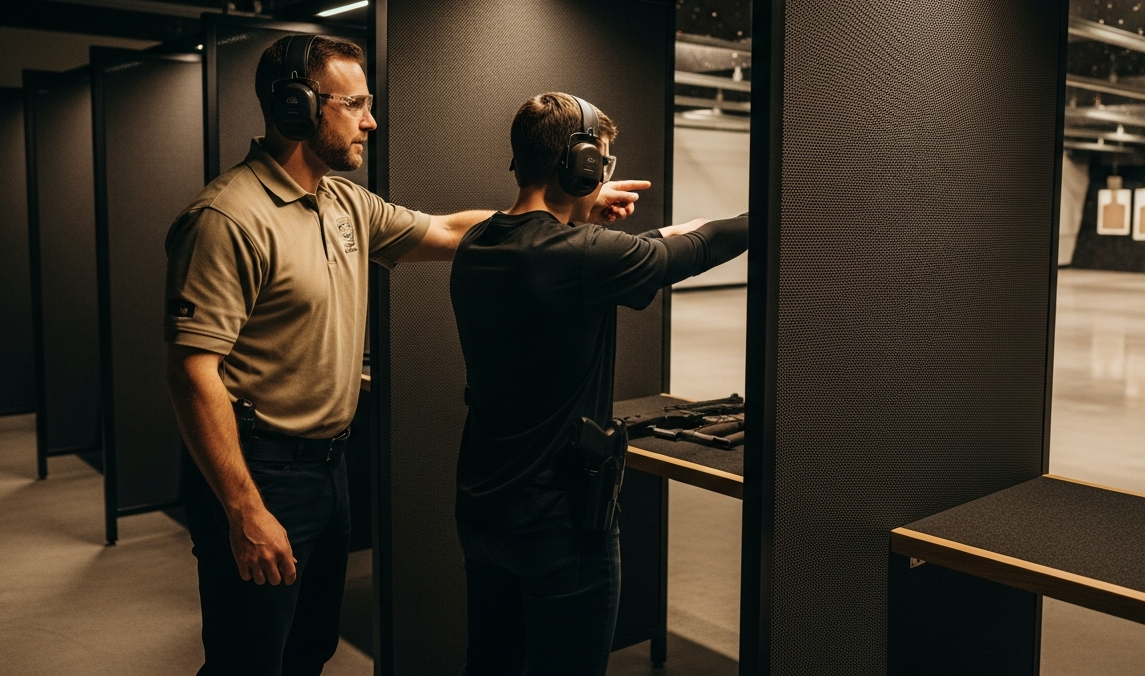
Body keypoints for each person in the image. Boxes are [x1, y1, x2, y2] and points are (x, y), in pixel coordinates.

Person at [163, 38, 648, 676]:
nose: (371, 120)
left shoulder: (343, 203)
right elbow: (192, 372)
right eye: (355, 104)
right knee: (246, 660)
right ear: (298, 107)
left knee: (308, 650)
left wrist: (555, 219)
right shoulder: (227, 219)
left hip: (327, 470)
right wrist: (244, 508)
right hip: (258, 473)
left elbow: (450, 230)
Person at [450, 92, 749, 675]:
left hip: (482, 513)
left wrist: (584, 215)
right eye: (602, 163)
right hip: (559, 529)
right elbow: (700, 244)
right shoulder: (583, 256)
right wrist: (777, 209)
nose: (604, 174)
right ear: (579, 164)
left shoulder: (478, 244)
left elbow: (647, 244)